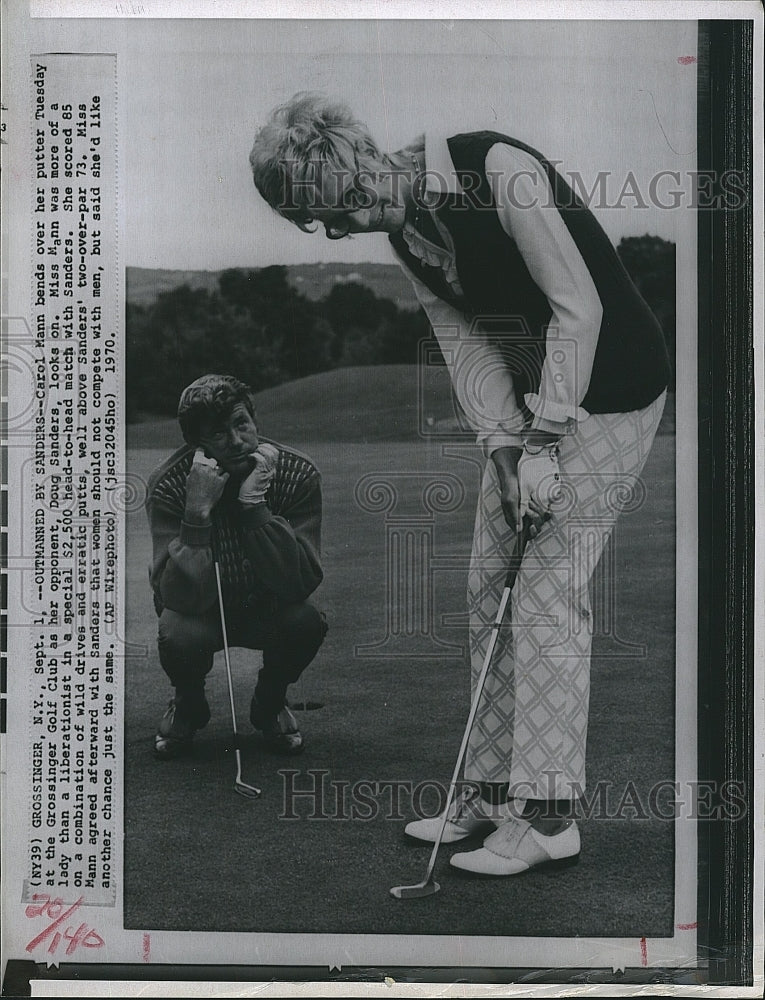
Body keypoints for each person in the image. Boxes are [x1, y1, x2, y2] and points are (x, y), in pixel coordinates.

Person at [249, 94, 670, 875]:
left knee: (545, 590)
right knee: (487, 585)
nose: (356, 221)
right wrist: (506, 449)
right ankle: (486, 791)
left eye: (353, 197)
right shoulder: (406, 229)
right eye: (332, 220)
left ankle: (547, 819)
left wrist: (546, 436)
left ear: (363, 154)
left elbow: (577, 309)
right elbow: (465, 339)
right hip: (534, 403)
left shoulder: (494, 169)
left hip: (615, 389)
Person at [146, 373, 327, 757]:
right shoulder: (169, 485)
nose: (237, 440)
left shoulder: (297, 474)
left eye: (241, 423)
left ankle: (270, 701)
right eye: (217, 432)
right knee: (177, 632)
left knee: (306, 621)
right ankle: (189, 703)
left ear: (254, 420)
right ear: (195, 443)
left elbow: (300, 582)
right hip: (201, 614)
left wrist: (253, 507)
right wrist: (196, 513)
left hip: (270, 607)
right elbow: (172, 596)